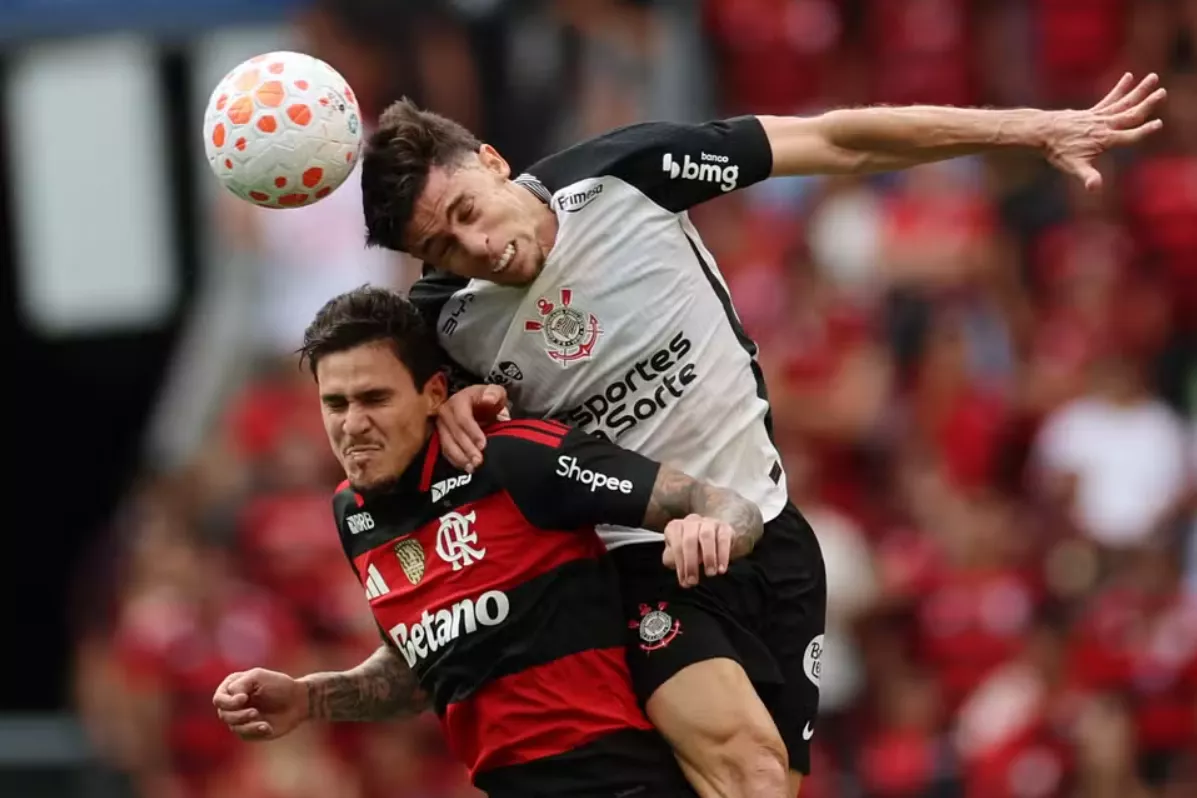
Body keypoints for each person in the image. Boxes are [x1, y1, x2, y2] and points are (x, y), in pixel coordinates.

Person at [355, 72, 1167, 798]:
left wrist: (1031, 127)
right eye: (440, 248)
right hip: (644, 558)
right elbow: (367, 419)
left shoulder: (623, 175)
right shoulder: (442, 321)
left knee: (766, 783)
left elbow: (836, 140)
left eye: (466, 213)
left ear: (492, 160)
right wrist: (443, 401)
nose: (476, 249)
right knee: (745, 772)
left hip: (771, 535)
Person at [212, 286, 769, 798]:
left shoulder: (510, 461)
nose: (353, 424)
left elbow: (718, 502)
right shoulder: (351, 516)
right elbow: (418, 673)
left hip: (619, 779)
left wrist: (712, 526)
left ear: (433, 394)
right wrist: (309, 698)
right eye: (336, 404)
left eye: (374, 398)